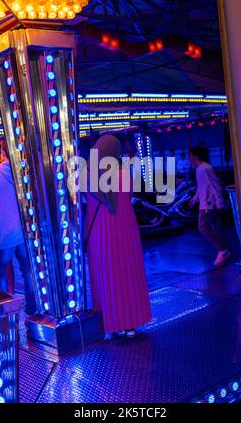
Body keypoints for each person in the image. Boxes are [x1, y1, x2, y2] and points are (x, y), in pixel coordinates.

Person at [85, 135, 151, 339]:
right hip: (126, 230)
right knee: (128, 274)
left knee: (106, 276)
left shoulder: (88, 175)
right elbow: (127, 198)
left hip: (101, 233)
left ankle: (111, 323)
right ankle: (130, 323)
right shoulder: (124, 174)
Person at [0, 136, 36, 314]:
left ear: (0, 152)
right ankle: (34, 309)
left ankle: (5, 312)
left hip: (3, 234)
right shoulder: (24, 173)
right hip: (24, 232)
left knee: (0, 273)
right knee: (28, 271)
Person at [189, 145, 231, 266]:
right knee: (216, 228)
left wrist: (219, 202)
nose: (189, 158)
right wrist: (194, 199)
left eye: (190, 156)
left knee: (202, 227)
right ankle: (227, 250)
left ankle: (222, 250)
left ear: (195, 156)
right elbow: (201, 187)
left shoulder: (204, 169)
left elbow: (214, 185)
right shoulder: (200, 169)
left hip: (208, 205)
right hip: (206, 203)